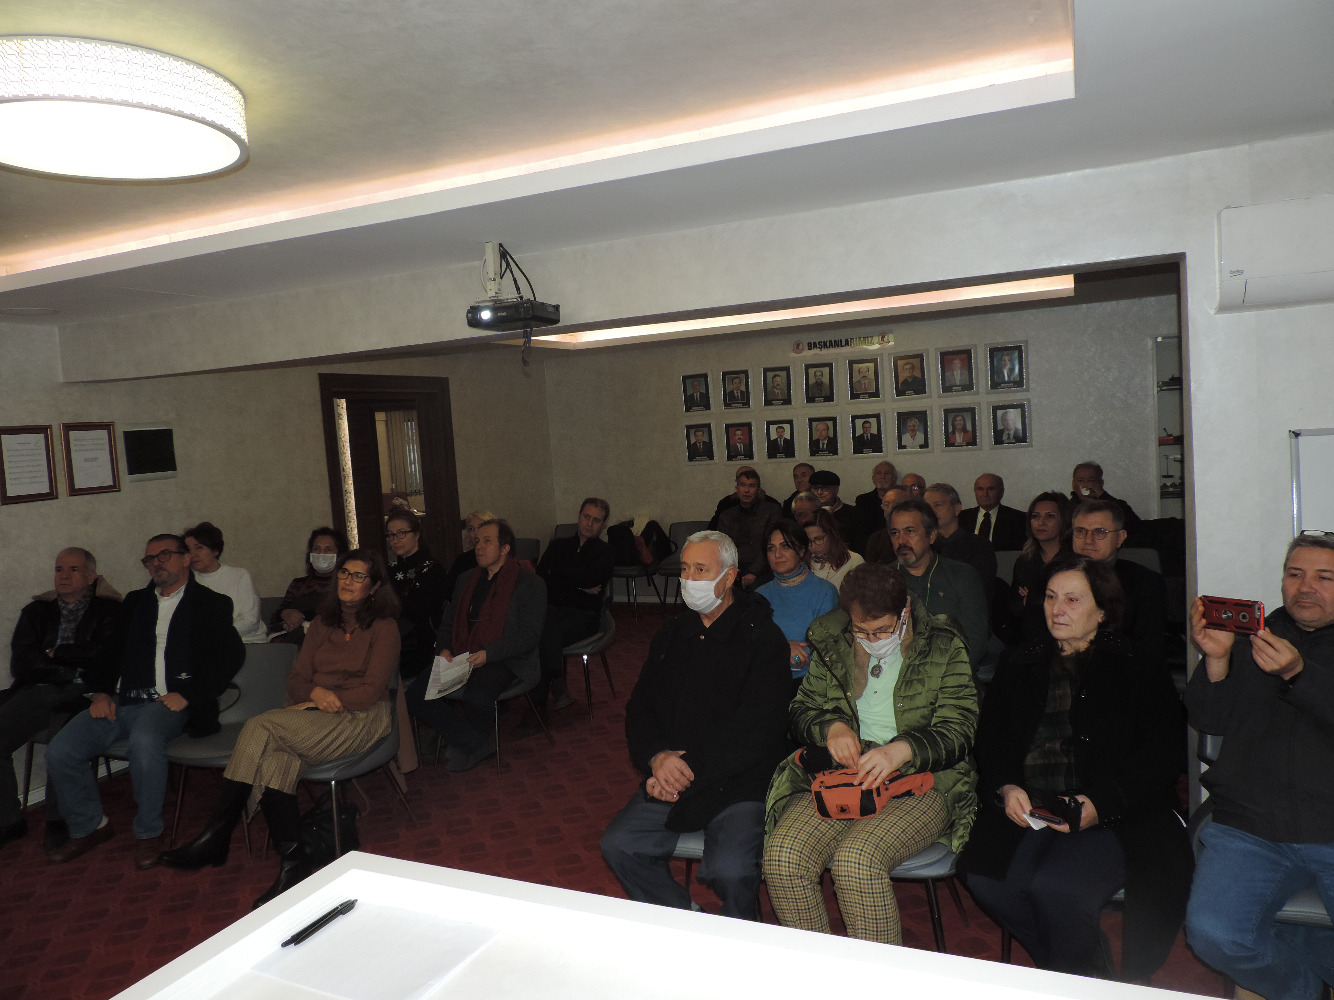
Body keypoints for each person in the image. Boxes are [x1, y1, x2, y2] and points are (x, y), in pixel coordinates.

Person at [960, 557, 1191, 980]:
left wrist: (1101, 803)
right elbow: (992, 740)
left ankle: (1069, 979)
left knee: (1059, 890)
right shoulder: (1020, 662)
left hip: (1117, 811)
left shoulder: (1137, 663)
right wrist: (1006, 786)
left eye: (1072, 599)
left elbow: (1162, 754)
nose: (1057, 609)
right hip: (1034, 804)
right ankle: (1083, 970)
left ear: (1102, 611)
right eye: (1051, 598)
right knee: (988, 880)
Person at [159, 549, 401, 907]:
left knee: (261, 726)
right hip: (314, 715)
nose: (348, 581)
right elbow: (297, 680)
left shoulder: (384, 627)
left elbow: (372, 690)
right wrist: (315, 694)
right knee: (273, 758)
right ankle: (293, 864)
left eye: (358, 576)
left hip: (360, 718)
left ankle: (217, 834)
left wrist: (323, 699)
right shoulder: (321, 624)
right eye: (344, 573)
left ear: (375, 586)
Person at [763, 563, 978, 945]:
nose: (870, 640)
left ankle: (876, 973)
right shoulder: (832, 638)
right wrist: (832, 728)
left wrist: (903, 749)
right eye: (861, 630)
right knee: (784, 857)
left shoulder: (943, 644)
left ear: (905, 611)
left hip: (926, 780)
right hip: (844, 773)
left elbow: (959, 729)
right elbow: (802, 709)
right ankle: (818, 968)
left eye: (881, 630)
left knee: (857, 862)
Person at [600, 531, 790, 920]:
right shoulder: (673, 632)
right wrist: (656, 758)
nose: (689, 579)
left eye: (701, 570)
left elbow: (757, 730)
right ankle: (685, 918)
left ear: (730, 576)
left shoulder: (762, 637)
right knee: (619, 844)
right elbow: (641, 707)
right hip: (673, 772)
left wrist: (683, 770)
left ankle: (742, 930)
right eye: (685, 569)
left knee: (730, 869)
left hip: (736, 780)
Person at [1184, 534, 1334, 1000]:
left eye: (1324, 577)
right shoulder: (1258, 635)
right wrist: (1217, 659)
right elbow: (1209, 720)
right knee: (1214, 933)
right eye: (1295, 574)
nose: (1305, 587)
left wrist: (1298, 675)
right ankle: (1304, 990)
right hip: (1250, 825)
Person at [45, 534, 244, 869]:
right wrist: (101, 692)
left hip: (166, 703)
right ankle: (90, 826)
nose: (155, 563)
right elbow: (110, 653)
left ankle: (149, 832)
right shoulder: (136, 602)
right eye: (150, 558)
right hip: (121, 700)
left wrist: (188, 694)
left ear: (185, 559)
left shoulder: (211, 603)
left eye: (164, 555)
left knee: (145, 741)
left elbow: (230, 657)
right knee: (61, 750)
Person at [1, 548, 121, 850]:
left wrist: (59, 653)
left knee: (61, 743)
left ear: (91, 577)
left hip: (87, 692)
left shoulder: (110, 610)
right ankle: (8, 820)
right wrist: (68, 669)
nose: (64, 576)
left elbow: (105, 655)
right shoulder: (36, 612)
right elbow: (22, 664)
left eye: (73, 569)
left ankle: (59, 819)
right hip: (40, 688)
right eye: (59, 569)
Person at [406, 519, 546, 772]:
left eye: (487, 541)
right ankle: (475, 742)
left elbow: (528, 636)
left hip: (505, 657)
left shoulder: (529, 583)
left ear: (505, 548)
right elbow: (448, 623)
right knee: (416, 695)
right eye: (477, 541)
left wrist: (488, 654)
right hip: (463, 653)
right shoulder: (465, 579)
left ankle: (466, 742)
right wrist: (444, 649)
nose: (478, 546)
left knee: (477, 696)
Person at [530, 499, 614, 721]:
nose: (589, 523)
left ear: (604, 524)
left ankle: (538, 706)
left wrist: (558, 575)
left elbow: (591, 579)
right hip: (553, 610)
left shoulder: (605, 552)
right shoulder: (558, 545)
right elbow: (541, 578)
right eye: (586, 517)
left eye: (596, 520)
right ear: (579, 515)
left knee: (547, 634)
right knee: (543, 628)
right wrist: (579, 586)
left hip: (585, 616)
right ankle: (555, 684)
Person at [889, 500, 989, 669]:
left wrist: (941, 676)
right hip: (895, 671)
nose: (901, 540)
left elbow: (975, 640)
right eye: (894, 533)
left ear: (932, 535)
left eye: (910, 531)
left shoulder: (962, 575)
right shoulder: (881, 579)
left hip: (949, 673)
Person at [1071, 500, 1166, 673]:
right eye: (1080, 531)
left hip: (1124, 672)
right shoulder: (1054, 578)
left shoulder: (1145, 583)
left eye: (1100, 532)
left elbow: (1148, 649)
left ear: (1120, 538)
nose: (1088, 540)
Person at [756, 520, 838, 684]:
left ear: (801, 550)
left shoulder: (824, 592)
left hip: (810, 684)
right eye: (771, 548)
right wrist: (783, 647)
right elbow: (752, 645)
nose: (777, 554)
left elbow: (827, 651)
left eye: (785, 546)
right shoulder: (759, 595)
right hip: (765, 680)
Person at [385, 509, 450, 681]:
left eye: (401, 533)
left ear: (417, 534)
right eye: (391, 535)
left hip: (422, 646)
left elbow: (424, 613)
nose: (395, 540)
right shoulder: (388, 570)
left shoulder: (433, 570)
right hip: (392, 641)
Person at [182, 521, 266, 643]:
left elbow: (250, 620)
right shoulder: (186, 581)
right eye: (188, 550)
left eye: (199, 547)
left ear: (215, 550)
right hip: (205, 645)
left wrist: (216, 635)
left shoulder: (240, 576)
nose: (193, 554)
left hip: (246, 641)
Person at [1009, 492, 1073, 642]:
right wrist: (1025, 602)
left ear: (1064, 521)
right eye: (1035, 516)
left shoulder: (1075, 560)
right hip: (1031, 637)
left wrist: (1033, 599)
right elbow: (1014, 606)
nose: (1041, 522)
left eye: (1050, 516)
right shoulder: (1025, 561)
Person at [267, 526, 348, 644]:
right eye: (316, 549)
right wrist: (285, 614)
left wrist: (305, 618)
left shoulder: (347, 584)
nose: (321, 554)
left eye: (328, 549)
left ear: (339, 555)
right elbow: (274, 619)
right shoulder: (298, 584)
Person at [924, 482, 997, 586]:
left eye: (938, 505)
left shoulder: (979, 546)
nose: (931, 511)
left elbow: (980, 587)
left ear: (957, 509)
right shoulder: (923, 545)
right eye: (927, 507)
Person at [716, 469, 779, 588]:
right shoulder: (726, 515)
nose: (746, 490)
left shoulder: (771, 511)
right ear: (737, 489)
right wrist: (731, 569)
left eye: (752, 486)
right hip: (734, 566)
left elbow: (770, 545)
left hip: (763, 567)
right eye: (743, 485)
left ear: (758, 490)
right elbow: (722, 547)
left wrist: (753, 572)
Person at [959, 473, 1028, 551]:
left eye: (991, 489)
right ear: (975, 491)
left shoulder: (1018, 519)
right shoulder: (960, 517)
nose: (985, 494)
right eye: (980, 489)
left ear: (1001, 492)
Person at [1071, 462, 1142, 535]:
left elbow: (1135, 526)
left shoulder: (1114, 505)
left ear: (1101, 483)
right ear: (1073, 484)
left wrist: (1103, 495)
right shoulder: (1068, 508)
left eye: (1091, 480)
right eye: (1080, 480)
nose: (1086, 485)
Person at [806, 509, 865, 592]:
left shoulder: (854, 561)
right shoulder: (804, 564)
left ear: (831, 534)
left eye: (819, 539)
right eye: (808, 541)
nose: (813, 546)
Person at [442, 508, 496, 599]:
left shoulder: (499, 557)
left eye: (480, 526)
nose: (475, 532)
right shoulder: (462, 560)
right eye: (471, 529)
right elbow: (449, 592)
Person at [808, 470, 864, 554]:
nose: (819, 492)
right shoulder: (806, 513)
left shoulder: (853, 514)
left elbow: (859, 546)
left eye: (825, 488)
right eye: (815, 488)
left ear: (836, 489)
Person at [864, 486, 910, 564]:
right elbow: (870, 569)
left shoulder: (917, 534)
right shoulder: (876, 538)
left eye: (896, 504)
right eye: (886, 504)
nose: (891, 508)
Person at [854, 461, 897, 539]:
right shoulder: (863, 501)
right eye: (879, 473)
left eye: (887, 473)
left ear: (894, 478)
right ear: (873, 478)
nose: (883, 477)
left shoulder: (900, 500)